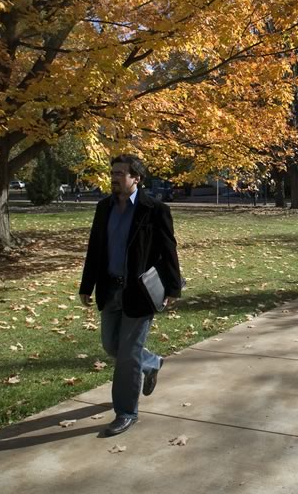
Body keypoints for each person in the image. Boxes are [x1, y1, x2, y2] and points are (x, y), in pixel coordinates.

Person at [79, 154, 182, 437]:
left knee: (126, 357)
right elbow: (95, 249)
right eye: (113, 172)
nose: (114, 178)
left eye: (121, 173)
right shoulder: (103, 208)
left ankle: (126, 412)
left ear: (136, 178)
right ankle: (151, 363)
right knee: (112, 346)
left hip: (138, 293)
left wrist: (173, 288)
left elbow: (168, 249)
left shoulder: (154, 209)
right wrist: (86, 285)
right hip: (109, 288)